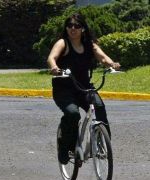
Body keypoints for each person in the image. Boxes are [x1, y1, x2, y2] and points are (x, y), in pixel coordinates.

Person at [47, 13, 120, 164]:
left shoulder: (89, 44)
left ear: (83, 29)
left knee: (99, 107)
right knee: (73, 114)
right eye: (70, 26)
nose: (73, 29)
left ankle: (102, 144)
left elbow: (103, 57)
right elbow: (51, 57)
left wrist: (112, 64)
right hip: (64, 89)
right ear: (66, 28)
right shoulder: (63, 43)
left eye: (77, 26)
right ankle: (65, 147)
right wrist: (54, 67)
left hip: (83, 88)